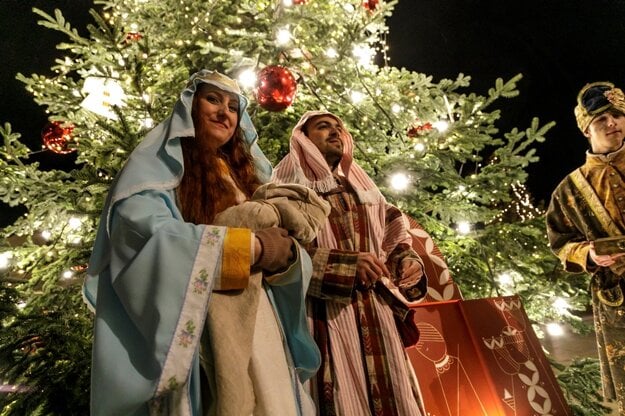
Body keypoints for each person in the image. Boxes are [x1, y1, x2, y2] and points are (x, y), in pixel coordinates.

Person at [83, 70, 323, 416]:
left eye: (233, 107)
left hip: (262, 320)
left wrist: (285, 258)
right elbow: (147, 236)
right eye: (213, 99)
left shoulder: (248, 176)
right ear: (189, 107)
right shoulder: (156, 167)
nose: (224, 113)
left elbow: (285, 248)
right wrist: (251, 248)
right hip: (201, 319)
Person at [272, 111, 428, 415]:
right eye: (324, 127)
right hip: (323, 318)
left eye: (339, 128)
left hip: (377, 315)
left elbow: (394, 237)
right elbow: (281, 252)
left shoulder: (365, 190)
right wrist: (345, 266)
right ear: (303, 139)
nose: (335, 132)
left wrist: (407, 263)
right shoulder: (286, 189)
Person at [546, 81, 625, 413]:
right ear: (586, 129)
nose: (613, 124)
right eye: (602, 119)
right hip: (616, 298)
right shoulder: (568, 191)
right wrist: (589, 255)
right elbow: (560, 243)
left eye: (618, 115)